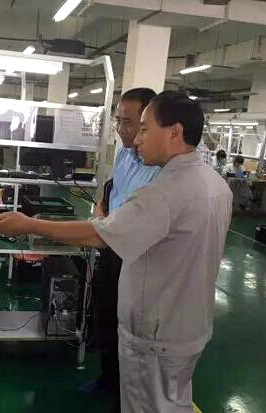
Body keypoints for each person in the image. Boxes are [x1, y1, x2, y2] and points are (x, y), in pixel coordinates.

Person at [0, 91, 233, 413]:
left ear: (175, 132)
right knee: (173, 401)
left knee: (146, 406)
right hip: (188, 326)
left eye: (144, 128)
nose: (137, 138)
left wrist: (28, 224)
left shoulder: (163, 193)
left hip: (156, 333)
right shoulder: (216, 185)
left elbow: (98, 234)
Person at [82, 88, 159, 406]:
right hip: (110, 250)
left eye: (128, 122)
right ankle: (108, 378)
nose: (120, 129)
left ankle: (126, 395)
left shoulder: (159, 167)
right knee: (106, 317)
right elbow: (112, 189)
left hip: (137, 257)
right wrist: (101, 206)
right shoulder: (125, 153)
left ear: (147, 123)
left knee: (131, 329)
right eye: (118, 120)